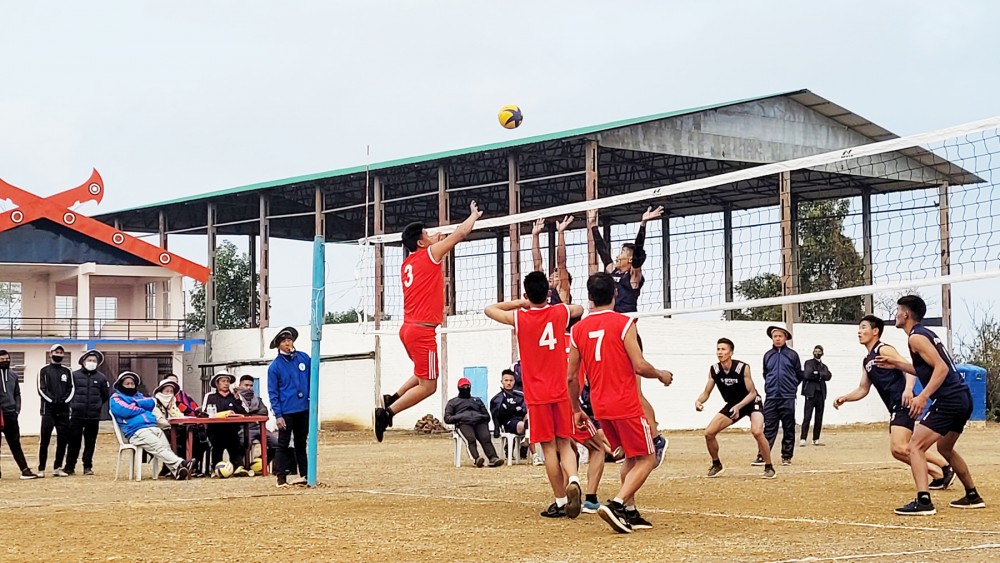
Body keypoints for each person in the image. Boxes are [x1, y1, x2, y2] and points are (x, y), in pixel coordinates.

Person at [567, 272, 674, 533]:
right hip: (625, 403)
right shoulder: (625, 323)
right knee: (648, 458)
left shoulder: (578, 329)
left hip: (600, 405)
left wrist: (576, 410)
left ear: (590, 298)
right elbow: (639, 365)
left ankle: (630, 511)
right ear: (615, 294)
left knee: (631, 456)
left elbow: (571, 377)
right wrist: (661, 374)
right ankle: (616, 503)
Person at [375, 201, 482, 442]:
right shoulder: (431, 254)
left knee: (421, 374)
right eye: (426, 233)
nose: (432, 234)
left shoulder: (407, 264)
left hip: (408, 329)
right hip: (422, 332)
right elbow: (461, 233)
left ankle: (393, 397)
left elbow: (431, 240)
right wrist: (473, 215)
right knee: (429, 386)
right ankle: (387, 413)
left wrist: (432, 237)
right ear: (421, 242)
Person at [486, 271, 586, 518]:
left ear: (526, 294)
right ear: (548, 293)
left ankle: (561, 500)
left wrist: (522, 303)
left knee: (548, 448)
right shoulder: (559, 312)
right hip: (560, 390)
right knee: (564, 442)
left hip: (537, 394)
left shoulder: (521, 317)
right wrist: (550, 301)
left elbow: (490, 309)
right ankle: (573, 478)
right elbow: (579, 308)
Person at [876, 296, 985, 515]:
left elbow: (941, 368)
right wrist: (897, 363)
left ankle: (924, 501)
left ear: (906, 314)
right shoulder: (926, 334)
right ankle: (972, 495)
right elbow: (927, 369)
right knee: (944, 448)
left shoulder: (916, 337)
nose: (896, 314)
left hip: (949, 400)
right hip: (961, 398)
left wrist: (923, 396)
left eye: (898, 310)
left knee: (915, 446)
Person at [587, 207, 668, 467]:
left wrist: (643, 225)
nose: (619, 255)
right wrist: (592, 226)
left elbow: (639, 256)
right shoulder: (611, 273)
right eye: (621, 252)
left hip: (627, 334)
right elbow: (602, 251)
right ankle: (626, 440)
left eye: (624, 252)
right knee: (616, 391)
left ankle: (656, 437)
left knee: (635, 392)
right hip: (609, 335)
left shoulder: (634, 276)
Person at [834, 315, 952, 490]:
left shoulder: (884, 349)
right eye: (859, 328)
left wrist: (908, 390)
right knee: (903, 448)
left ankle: (941, 470)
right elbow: (863, 389)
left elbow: (911, 369)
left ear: (875, 332)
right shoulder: (867, 360)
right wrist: (845, 398)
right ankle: (941, 470)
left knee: (899, 448)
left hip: (902, 403)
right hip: (894, 406)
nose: (859, 331)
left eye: (864, 327)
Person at [695, 338, 775, 479]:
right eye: (718, 349)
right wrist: (699, 401)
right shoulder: (714, 370)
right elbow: (706, 392)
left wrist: (739, 406)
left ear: (731, 352)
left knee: (757, 431)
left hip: (751, 402)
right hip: (733, 404)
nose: (720, 352)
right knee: (709, 433)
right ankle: (716, 463)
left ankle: (769, 466)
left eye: (723, 349)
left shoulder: (742, 368)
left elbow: (752, 393)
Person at [109, 372, 193, 480]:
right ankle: (182, 464)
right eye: (127, 384)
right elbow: (124, 410)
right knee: (158, 447)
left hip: (153, 426)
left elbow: (151, 402)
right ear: (120, 385)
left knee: (166, 448)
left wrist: (134, 403)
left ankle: (177, 471)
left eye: (132, 384)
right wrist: (142, 408)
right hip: (136, 431)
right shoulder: (115, 398)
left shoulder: (139, 396)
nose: (130, 386)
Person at [267, 327, 310, 487]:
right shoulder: (275, 367)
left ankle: (305, 475)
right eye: (284, 341)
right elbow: (273, 392)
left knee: (301, 443)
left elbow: (313, 378)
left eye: (290, 340)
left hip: (303, 409)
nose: (288, 343)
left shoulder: (304, 358)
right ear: (278, 345)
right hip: (286, 412)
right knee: (283, 444)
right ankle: (281, 478)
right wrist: (278, 414)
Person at [758, 326, 802, 467]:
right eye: (775, 336)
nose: (777, 338)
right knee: (769, 427)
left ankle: (787, 456)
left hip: (788, 396)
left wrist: (791, 386)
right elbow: (766, 374)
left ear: (785, 338)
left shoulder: (792, 355)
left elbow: (798, 374)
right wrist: (771, 386)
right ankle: (762, 455)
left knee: (788, 427)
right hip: (771, 396)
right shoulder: (767, 355)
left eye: (780, 336)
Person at [63, 349, 110, 476]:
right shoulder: (74, 375)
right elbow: (67, 392)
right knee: (73, 442)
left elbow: (105, 395)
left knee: (90, 442)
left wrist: (97, 405)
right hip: (76, 414)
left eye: (94, 361)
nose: (91, 362)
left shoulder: (101, 378)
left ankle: (87, 466)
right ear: (83, 361)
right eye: (89, 360)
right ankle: (69, 467)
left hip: (93, 416)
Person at [445, 378, 504, 468]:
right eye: (463, 386)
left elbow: (487, 416)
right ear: (458, 388)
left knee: (486, 438)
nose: (465, 388)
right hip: (463, 424)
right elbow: (447, 418)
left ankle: (493, 458)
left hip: (479, 422)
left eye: (467, 386)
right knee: (471, 439)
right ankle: (476, 459)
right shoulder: (452, 402)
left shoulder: (477, 400)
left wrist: (480, 417)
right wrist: (461, 416)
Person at [0, 349, 40, 479]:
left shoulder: (13, 375)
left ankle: (25, 470)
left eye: (7, 359)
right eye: (2, 360)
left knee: (15, 443)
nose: (5, 361)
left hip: (11, 414)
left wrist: (17, 409)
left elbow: (17, 393)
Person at [203, 371, 249, 475]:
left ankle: (238, 468)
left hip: (232, 430)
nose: (226, 383)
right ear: (217, 383)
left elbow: (245, 412)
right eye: (223, 381)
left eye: (228, 381)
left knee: (235, 444)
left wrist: (238, 400)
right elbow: (205, 412)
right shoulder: (210, 396)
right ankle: (215, 468)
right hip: (215, 430)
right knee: (217, 446)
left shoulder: (235, 396)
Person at [37, 344, 73, 477]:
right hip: (48, 410)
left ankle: (57, 467)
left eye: (61, 352)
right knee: (45, 440)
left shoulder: (67, 371)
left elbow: (71, 388)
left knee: (63, 439)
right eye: (56, 352)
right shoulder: (44, 370)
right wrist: (52, 400)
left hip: (63, 411)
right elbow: (41, 389)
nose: (58, 354)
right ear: (50, 353)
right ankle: (41, 469)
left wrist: (64, 400)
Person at [237, 374, 281, 470]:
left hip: (259, 427)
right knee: (243, 443)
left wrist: (248, 414)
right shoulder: (236, 399)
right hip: (243, 428)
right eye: (246, 385)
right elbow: (238, 412)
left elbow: (264, 412)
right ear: (240, 385)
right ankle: (243, 467)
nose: (249, 388)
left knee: (276, 443)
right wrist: (253, 414)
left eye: (251, 385)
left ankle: (260, 462)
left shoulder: (258, 399)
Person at [531, 216, 574, 306]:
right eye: (552, 274)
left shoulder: (562, 291)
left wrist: (561, 233)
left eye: (556, 276)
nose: (551, 276)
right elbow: (537, 265)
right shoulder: (543, 293)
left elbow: (561, 263)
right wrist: (535, 236)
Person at [800, 344, 832, 446]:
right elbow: (807, 374)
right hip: (810, 393)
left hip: (821, 394)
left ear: (822, 353)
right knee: (807, 416)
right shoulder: (808, 363)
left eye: (819, 351)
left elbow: (828, 376)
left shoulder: (824, 366)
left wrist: (817, 373)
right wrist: (820, 375)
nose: (817, 353)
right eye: (815, 351)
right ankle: (803, 438)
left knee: (819, 417)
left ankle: (816, 438)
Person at [489, 370, 526, 438]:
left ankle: (525, 444)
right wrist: (515, 409)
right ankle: (523, 441)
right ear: (502, 381)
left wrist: (516, 410)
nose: (509, 383)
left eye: (511, 380)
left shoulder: (521, 396)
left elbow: (525, 410)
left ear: (514, 381)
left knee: (530, 419)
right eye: (506, 380)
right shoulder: (497, 398)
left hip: (521, 420)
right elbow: (498, 414)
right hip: (508, 424)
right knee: (525, 426)